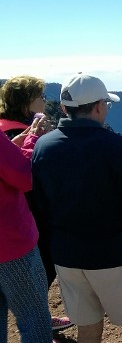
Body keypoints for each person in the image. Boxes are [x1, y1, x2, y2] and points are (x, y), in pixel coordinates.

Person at [30, 73, 122, 343]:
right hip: (116, 257)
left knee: (87, 329)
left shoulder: (43, 147)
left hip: (67, 259)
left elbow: (39, 205)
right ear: (99, 107)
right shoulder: (119, 149)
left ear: (65, 108)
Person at [0, 75, 73, 333]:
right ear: (26, 103)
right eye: (39, 96)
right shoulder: (10, 131)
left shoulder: (6, 130)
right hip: (15, 233)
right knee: (32, 315)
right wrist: (34, 140)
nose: (44, 100)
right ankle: (43, 326)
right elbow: (24, 175)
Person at [0, 112, 52, 342]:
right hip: (11, 245)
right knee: (34, 321)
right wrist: (33, 138)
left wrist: (11, 147)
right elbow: (24, 177)